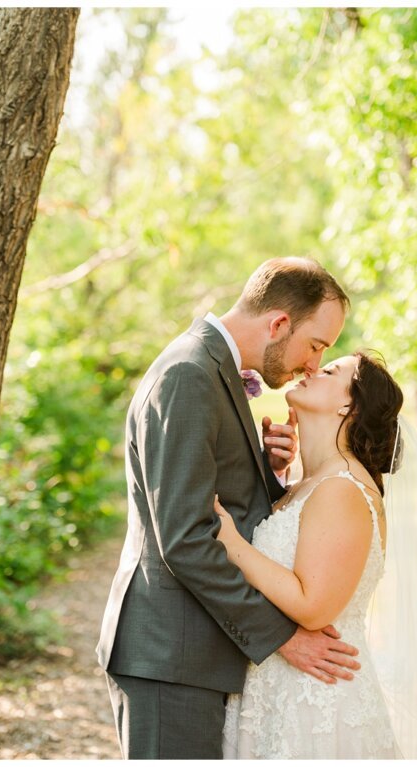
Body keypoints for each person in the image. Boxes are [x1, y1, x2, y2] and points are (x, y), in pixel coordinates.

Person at [97, 257, 361, 759]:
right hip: (170, 655)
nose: (312, 364)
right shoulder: (188, 375)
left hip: (195, 654)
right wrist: (283, 637)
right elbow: (186, 537)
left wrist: (271, 471)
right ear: (279, 323)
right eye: (316, 346)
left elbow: (212, 501)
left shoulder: (210, 369)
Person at [217, 351, 417, 758]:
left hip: (316, 701)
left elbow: (313, 607)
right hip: (276, 688)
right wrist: (275, 475)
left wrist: (231, 542)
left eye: (329, 371)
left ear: (349, 405)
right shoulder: (308, 483)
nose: (311, 367)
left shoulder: (343, 488)